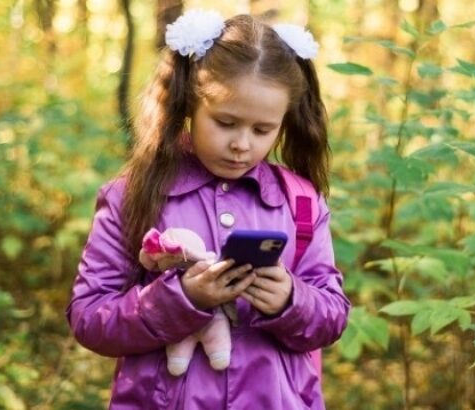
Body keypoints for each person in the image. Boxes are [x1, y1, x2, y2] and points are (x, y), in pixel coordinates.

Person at [66, 8, 350, 409]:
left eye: (262, 130)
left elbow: (333, 315)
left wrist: (292, 300)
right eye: (225, 122)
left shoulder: (300, 202)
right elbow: (89, 318)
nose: (242, 144)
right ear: (189, 106)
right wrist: (182, 299)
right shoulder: (131, 196)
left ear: (283, 122)